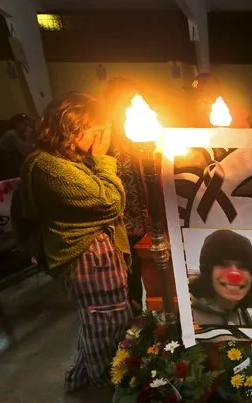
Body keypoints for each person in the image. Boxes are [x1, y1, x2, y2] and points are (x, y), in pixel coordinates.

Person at [17, 92, 132, 391]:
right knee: (106, 322)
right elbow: (110, 200)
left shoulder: (67, 160)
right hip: (88, 257)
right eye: (96, 130)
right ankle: (106, 383)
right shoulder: (49, 166)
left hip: (94, 255)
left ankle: (81, 377)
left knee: (100, 317)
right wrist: (105, 160)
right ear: (73, 127)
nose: (101, 138)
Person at [104, 77, 148, 315]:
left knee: (143, 268)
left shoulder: (138, 136)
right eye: (128, 101)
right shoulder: (105, 142)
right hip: (119, 220)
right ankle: (129, 316)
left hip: (142, 217)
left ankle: (141, 314)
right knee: (125, 273)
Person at [189, 230, 252, 326]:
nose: (234, 275)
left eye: (243, 266)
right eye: (223, 264)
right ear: (208, 272)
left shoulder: (246, 317)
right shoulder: (185, 316)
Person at [0, 114, 33, 179]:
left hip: (13, 158)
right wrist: (28, 136)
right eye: (25, 124)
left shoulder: (22, 134)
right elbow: (25, 152)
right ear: (16, 124)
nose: (27, 127)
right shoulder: (11, 134)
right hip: (2, 162)